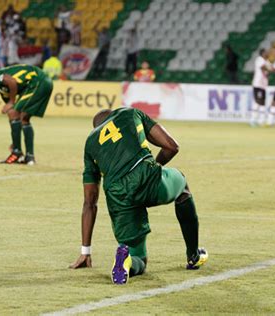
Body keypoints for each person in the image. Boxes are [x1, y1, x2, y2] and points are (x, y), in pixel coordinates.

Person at [69, 108, 208, 284]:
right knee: (182, 187)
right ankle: (193, 256)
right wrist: (152, 169)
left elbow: (89, 202)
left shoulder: (90, 143)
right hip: (146, 175)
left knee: (139, 259)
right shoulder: (128, 113)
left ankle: (125, 262)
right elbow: (172, 146)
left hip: (118, 196)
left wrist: (85, 251)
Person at [0, 64, 54, 164]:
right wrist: (15, 142)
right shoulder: (4, 93)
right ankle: (23, 154)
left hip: (37, 81)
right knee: (19, 116)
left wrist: (11, 102)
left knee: (18, 115)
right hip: (43, 82)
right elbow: (14, 114)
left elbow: (11, 81)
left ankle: (21, 154)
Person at [250, 48, 270, 126]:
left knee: (262, 102)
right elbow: (264, 68)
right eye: (266, 52)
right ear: (262, 53)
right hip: (257, 84)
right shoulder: (259, 59)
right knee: (257, 101)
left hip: (263, 85)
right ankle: (253, 119)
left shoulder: (267, 61)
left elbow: (268, 72)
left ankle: (261, 121)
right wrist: (270, 69)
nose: (267, 53)